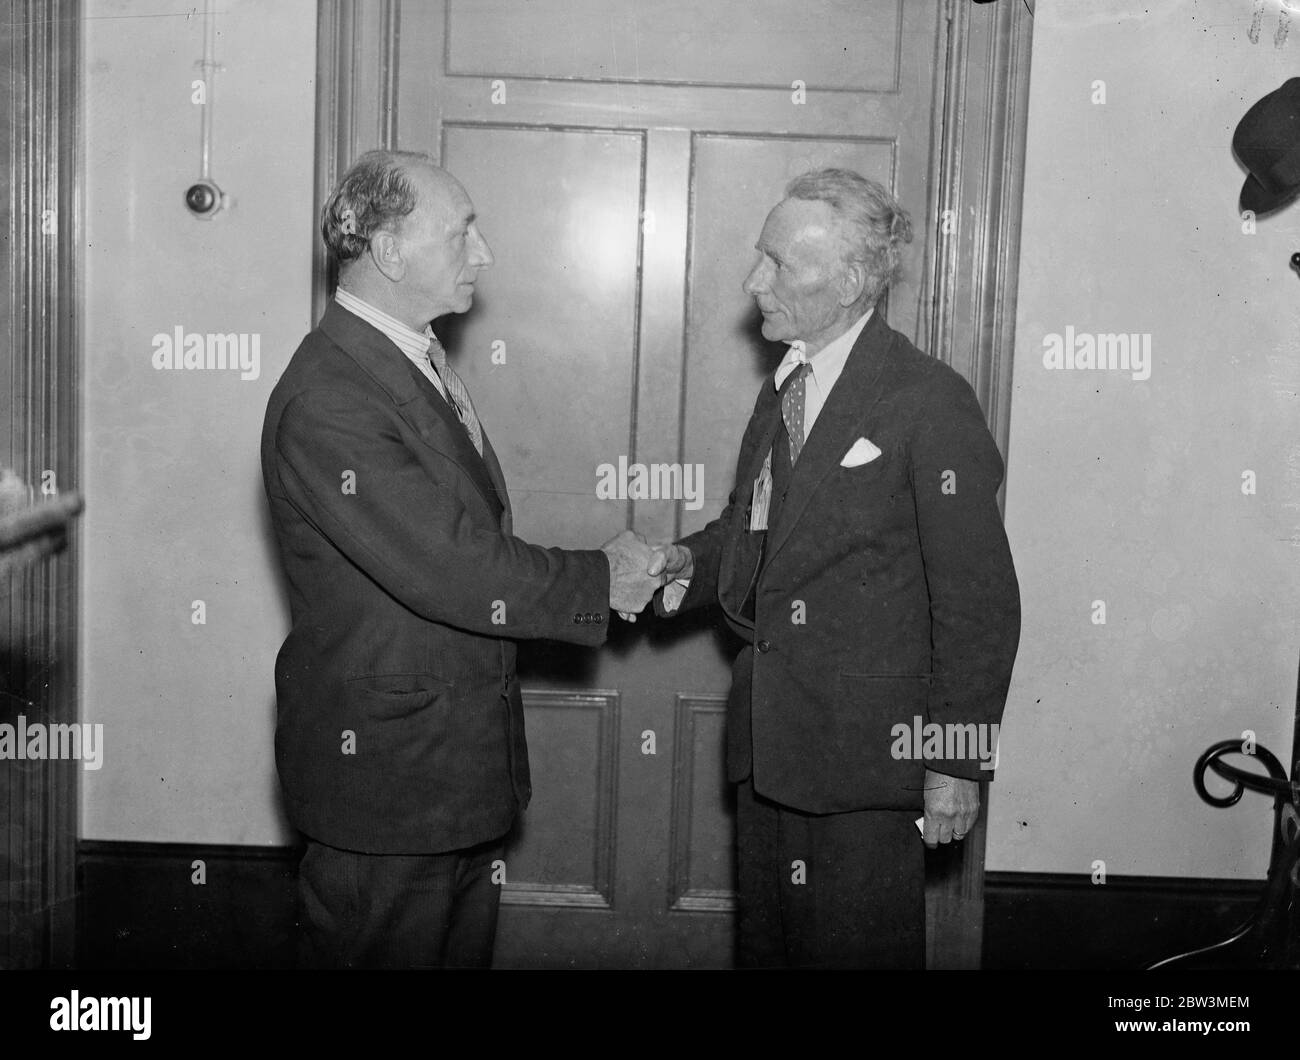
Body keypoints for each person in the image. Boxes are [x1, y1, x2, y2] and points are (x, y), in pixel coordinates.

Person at [260, 149, 661, 968]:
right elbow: (454, 567)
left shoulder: (408, 362)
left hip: (443, 778)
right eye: (463, 231)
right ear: (390, 253)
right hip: (386, 786)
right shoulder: (330, 397)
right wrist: (600, 578)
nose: (483, 253)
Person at [648, 168, 1021, 968]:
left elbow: (980, 602)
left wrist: (954, 763)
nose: (755, 283)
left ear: (851, 282)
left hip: (867, 772)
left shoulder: (928, 400)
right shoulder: (788, 381)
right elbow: (755, 539)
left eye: (779, 265)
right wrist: (678, 562)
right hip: (769, 757)